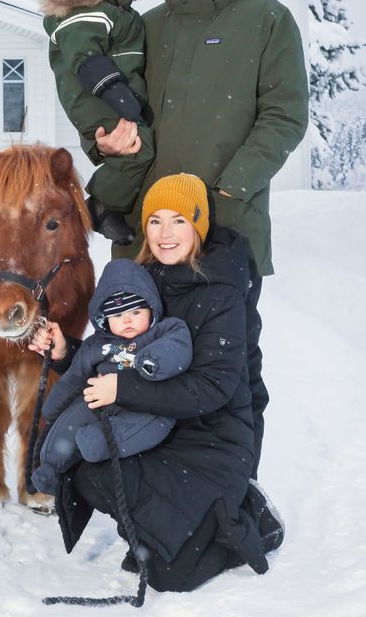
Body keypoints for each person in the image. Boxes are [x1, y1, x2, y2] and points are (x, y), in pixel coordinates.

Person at [95, 0, 309, 473]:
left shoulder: (267, 18)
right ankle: (155, 498)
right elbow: (122, 114)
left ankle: (233, 489)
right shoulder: (152, 25)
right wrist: (106, 147)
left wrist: (228, 193)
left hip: (225, 232)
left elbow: (285, 116)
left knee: (227, 369)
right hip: (151, 231)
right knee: (141, 363)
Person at [31, 173, 284, 596]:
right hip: (155, 420)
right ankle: (159, 534)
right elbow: (119, 352)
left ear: (199, 225)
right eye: (155, 221)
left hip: (211, 437)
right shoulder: (146, 278)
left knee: (173, 577)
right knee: (88, 467)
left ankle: (244, 518)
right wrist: (66, 353)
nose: (165, 234)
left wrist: (122, 391)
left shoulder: (220, 290)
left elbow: (213, 388)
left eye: (179, 221)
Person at [30, 259, 192, 496]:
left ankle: (100, 444)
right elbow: (76, 375)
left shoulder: (163, 331)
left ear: (151, 310)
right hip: (100, 400)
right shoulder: (97, 344)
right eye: (118, 315)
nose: (127, 320)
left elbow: (177, 347)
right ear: (105, 319)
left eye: (136, 312)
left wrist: (153, 362)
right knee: (68, 423)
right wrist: (54, 407)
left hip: (147, 405)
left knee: (143, 427)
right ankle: (51, 468)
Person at [40, 0, 153, 245]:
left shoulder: (122, 15)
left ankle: (109, 207)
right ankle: (99, 206)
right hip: (93, 96)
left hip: (109, 96)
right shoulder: (88, 10)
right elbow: (84, 55)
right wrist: (112, 89)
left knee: (137, 148)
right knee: (139, 147)